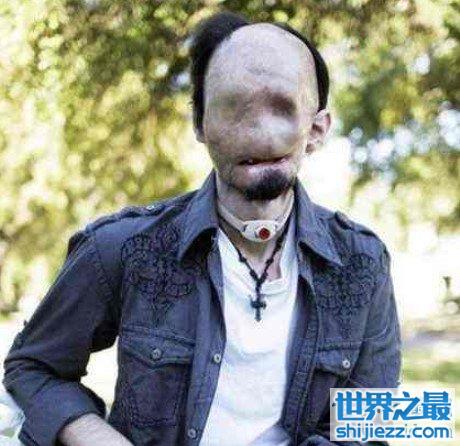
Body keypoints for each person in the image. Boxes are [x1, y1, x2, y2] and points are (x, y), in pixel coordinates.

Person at [2, 11, 401, 446]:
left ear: (317, 128)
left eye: (283, 108)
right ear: (199, 123)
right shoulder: (120, 248)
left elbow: (372, 422)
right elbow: (32, 368)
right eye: (234, 108)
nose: (260, 133)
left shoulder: (363, 263)